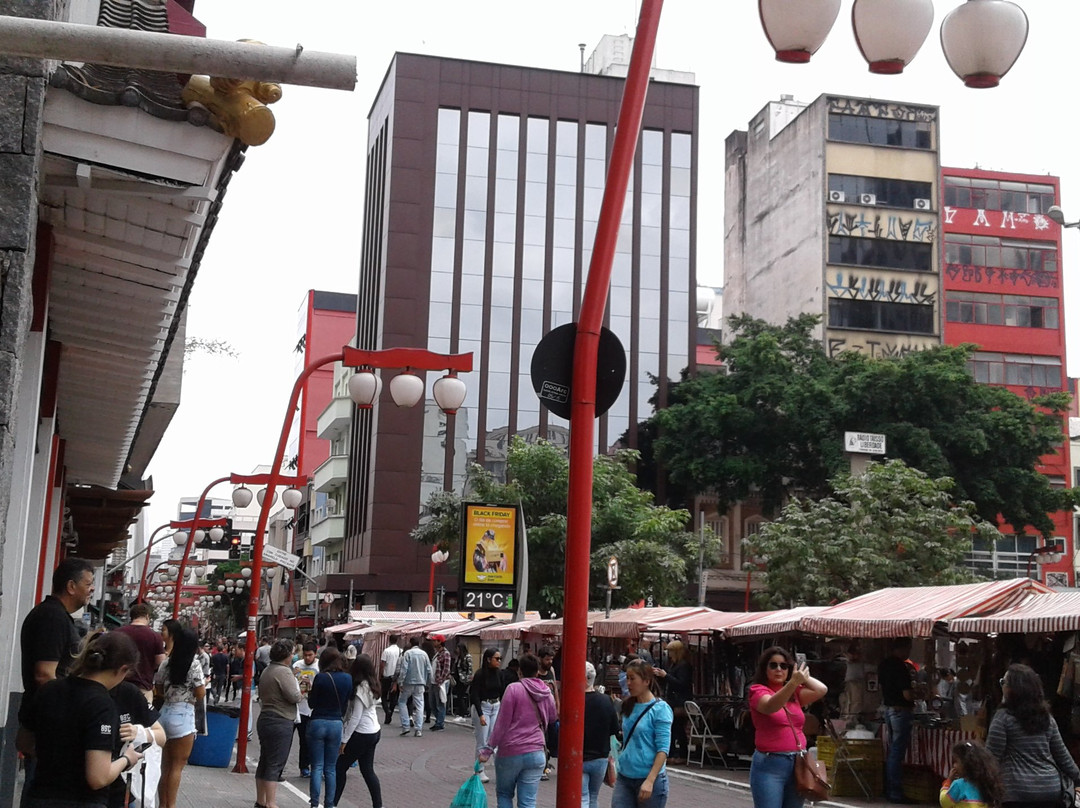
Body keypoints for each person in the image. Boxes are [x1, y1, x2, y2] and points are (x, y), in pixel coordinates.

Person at [17, 630, 145, 808]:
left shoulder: (48, 690)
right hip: (82, 800)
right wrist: (127, 759)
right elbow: (98, 778)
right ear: (122, 669)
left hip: (39, 796)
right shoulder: (102, 705)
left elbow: (23, 742)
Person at [986, 663, 1080, 808]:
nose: (1002, 686)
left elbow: (991, 758)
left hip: (1015, 792)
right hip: (1049, 790)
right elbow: (1063, 756)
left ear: (1013, 689)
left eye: (1004, 682)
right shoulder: (1047, 719)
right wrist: (1078, 778)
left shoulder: (1003, 718)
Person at [748, 646, 829, 808]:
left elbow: (821, 689)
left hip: (797, 763)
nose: (779, 669)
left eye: (784, 666)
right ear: (765, 669)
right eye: (773, 665)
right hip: (770, 764)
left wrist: (801, 676)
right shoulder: (757, 691)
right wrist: (793, 682)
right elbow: (771, 706)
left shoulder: (795, 693)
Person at [480, 653, 557, 808]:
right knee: (528, 801)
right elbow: (552, 717)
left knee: (504, 794)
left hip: (511, 750)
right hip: (536, 751)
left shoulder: (513, 689)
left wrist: (488, 750)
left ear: (520, 671)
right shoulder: (546, 692)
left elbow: (502, 723)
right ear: (537, 672)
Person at [153, 624, 205, 808]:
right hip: (183, 715)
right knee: (177, 766)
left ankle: (162, 804)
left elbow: (158, 688)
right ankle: (172, 805)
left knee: (165, 766)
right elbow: (200, 693)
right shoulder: (194, 664)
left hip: (164, 713)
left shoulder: (166, 663)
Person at [612, 659, 674, 808]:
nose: (628, 683)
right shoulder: (628, 705)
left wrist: (650, 780)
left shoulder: (660, 709)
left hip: (648, 777)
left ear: (646, 681)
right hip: (625, 775)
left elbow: (663, 749)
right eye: (627, 678)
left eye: (632, 679)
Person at [255, 639, 301, 808]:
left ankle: (261, 800)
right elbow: (294, 696)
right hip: (280, 719)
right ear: (287, 655)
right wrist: (302, 691)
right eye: (292, 653)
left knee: (265, 761)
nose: (293, 656)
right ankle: (271, 803)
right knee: (275, 763)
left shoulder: (268, 670)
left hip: (265, 717)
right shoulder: (283, 672)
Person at [307, 647, 353, 808]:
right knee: (331, 768)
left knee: (317, 766)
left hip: (318, 721)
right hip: (336, 722)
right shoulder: (348, 678)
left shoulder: (321, 677)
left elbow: (312, 703)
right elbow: (346, 703)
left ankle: (314, 803)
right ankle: (329, 803)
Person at [335, 654, 383, 808]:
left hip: (362, 733)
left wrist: (344, 739)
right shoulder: (373, 684)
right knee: (367, 770)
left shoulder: (361, 688)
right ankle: (378, 805)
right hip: (374, 730)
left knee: (340, 767)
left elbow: (356, 717)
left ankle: (333, 802)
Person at [879, 638, 917, 804]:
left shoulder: (884, 664)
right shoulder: (900, 667)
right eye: (908, 649)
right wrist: (918, 694)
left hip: (889, 710)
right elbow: (907, 695)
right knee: (896, 752)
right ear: (902, 648)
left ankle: (889, 789)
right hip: (901, 711)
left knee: (892, 750)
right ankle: (895, 792)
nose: (909, 653)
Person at [583, 661, 620, 808]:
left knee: (582, 796)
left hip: (580, 756)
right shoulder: (605, 700)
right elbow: (615, 728)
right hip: (601, 756)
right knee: (593, 797)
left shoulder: (574, 700)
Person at [114, 602, 167, 703]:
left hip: (117, 684)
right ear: (147, 616)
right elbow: (161, 662)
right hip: (143, 686)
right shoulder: (154, 636)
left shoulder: (117, 633)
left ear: (132, 616)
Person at [471, 648, 508, 784]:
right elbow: (474, 695)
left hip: (496, 705)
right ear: (488, 659)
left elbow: (503, 692)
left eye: (500, 659)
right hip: (483, 706)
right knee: (482, 740)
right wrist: (480, 714)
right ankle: (479, 770)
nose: (499, 661)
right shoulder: (480, 674)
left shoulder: (500, 674)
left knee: (495, 739)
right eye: (496, 659)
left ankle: (500, 769)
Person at [654, 640, 693, 765]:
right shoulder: (674, 665)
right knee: (674, 728)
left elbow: (682, 683)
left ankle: (681, 754)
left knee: (678, 728)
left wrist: (666, 676)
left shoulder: (683, 666)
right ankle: (672, 753)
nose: (669, 654)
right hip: (673, 700)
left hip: (679, 701)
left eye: (671, 651)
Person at [940, 741, 1004, 808]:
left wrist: (948, 782)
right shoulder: (985, 786)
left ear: (966, 764)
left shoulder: (959, 785)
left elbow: (945, 802)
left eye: (956, 761)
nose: (954, 765)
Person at [397, 636, 433, 737]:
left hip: (408, 682)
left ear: (410, 643)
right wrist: (428, 683)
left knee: (402, 702)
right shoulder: (424, 654)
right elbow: (429, 670)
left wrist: (400, 682)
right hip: (421, 682)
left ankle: (405, 725)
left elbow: (404, 669)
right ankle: (418, 729)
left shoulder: (408, 653)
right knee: (420, 705)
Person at [293, 641, 320, 777]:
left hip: (308, 709)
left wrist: (310, 685)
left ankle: (304, 767)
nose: (307, 658)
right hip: (295, 707)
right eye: (305, 655)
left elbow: (320, 688)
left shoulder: (319, 667)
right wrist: (293, 675)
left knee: (305, 741)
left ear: (315, 654)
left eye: (310, 655)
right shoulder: (297, 665)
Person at [537, 646, 560, 779]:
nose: (550, 662)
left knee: (551, 738)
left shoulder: (551, 670)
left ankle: (547, 760)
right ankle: (543, 766)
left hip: (551, 710)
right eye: (547, 659)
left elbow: (555, 689)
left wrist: (557, 705)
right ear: (540, 659)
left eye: (551, 659)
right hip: (540, 711)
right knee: (542, 739)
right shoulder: (536, 673)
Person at [379, 634, 402, 725]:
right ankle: (390, 712)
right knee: (393, 697)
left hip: (386, 676)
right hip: (396, 677)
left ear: (389, 640)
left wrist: (380, 674)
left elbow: (382, 664)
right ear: (397, 640)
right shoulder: (401, 651)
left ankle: (387, 711)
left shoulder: (386, 651)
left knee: (384, 696)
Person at [431, 634, 452, 731]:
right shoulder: (437, 653)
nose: (433, 642)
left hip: (440, 682)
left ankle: (440, 723)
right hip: (433, 681)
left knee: (440, 703)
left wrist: (440, 680)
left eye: (435, 640)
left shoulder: (445, 653)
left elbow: (446, 669)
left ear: (440, 642)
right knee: (432, 703)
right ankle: (438, 721)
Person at [452, 642, 474, 718]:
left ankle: (463, 713)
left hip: (464, 679)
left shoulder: (467, 657)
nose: (456, 650)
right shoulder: (458, 657)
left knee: (461, 695)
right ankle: (460, 711)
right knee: (458, 695)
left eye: (458, 648)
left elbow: (470, 669)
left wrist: (468, 679)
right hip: (458, 679)